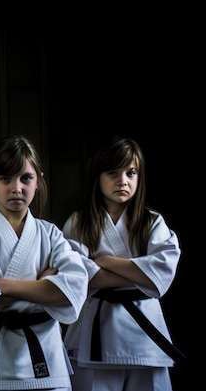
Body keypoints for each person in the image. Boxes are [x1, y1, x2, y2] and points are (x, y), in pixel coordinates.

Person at [0, 134, 88, 390]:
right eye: (6, 178)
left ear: (38, 181)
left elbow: (74, 288)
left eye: (26, 178)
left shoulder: (51, 234)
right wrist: (42, 287)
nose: (17, 188)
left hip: (44, 354)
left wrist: (0, 285)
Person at [61, 136, 185, 391]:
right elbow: (79, 275)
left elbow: (162, 273)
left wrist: (105, 261)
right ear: (97, 176)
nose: (123, 181)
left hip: (145, 332)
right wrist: (140, 273)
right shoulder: (79, 222)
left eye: (131, 173)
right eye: (113, 172)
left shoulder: (152, 222)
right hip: (96, 328)